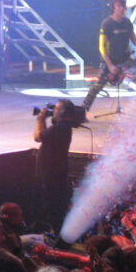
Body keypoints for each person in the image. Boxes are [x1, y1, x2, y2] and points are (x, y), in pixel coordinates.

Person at [81, 0, 136, 112]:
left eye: (123, 6)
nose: (122, 8)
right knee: (96, 87)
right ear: (113, 8)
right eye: (119, 6)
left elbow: (135, 41)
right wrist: (110, 66)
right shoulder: (107, 23)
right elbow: (101, 47)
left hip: (125, 60)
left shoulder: (127, 22)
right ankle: (82, 112)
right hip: (110, 61)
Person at [33, 99, 81, 232]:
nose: (53, 111)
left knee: (53, 207)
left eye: (57, 109)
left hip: (51, 175)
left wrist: (40, 120)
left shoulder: (60, 128)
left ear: (63, 112)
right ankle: (56, 231)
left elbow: (38, 137)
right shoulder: (63, 127)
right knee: (55, 206)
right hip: (55, 173)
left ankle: (56, 233)